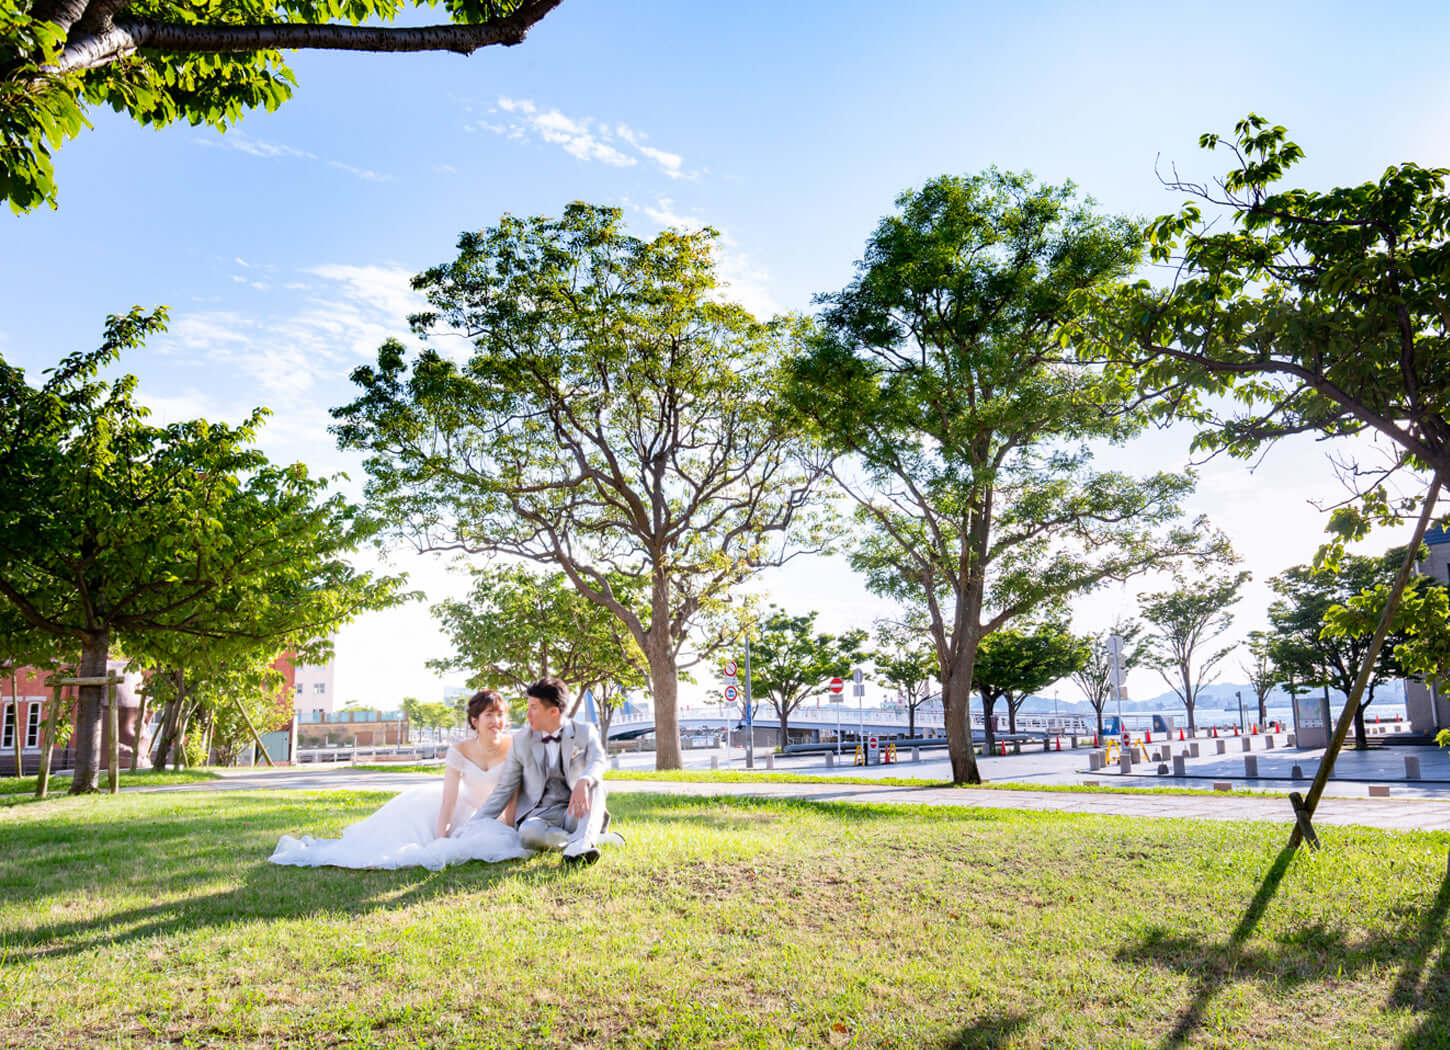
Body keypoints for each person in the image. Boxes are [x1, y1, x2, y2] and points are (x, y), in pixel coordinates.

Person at [268, 689, 529, 870]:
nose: (497, 721)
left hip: (489, 814)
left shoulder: (515, 746)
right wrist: (442, 838)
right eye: (489, 716)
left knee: (490, 842)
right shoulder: (459, 751)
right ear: (475, 721)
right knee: (399, 838)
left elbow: (512, 795)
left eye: (500, 715)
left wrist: (510, 828)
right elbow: (448, 801)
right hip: (462, 807)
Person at [464, 676, 611, 866]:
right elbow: (504, 788)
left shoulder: (584, 731)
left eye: (533, 708)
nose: (527, 714)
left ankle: (582, 845)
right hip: (540, 817)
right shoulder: (521, 741)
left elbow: (599, 760)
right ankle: (582, 839)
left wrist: (585, 780)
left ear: (553, 712)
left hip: (576, 811)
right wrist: (472, 826)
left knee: (597, 786)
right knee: (527, 834)